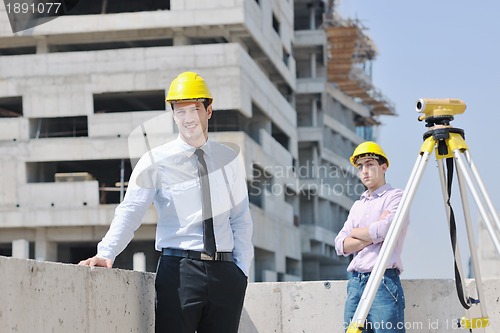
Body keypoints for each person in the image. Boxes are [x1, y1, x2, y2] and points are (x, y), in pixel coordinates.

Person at [79, 71, 254, 333]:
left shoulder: (228, 159)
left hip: (225, 274)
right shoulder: (154, 161)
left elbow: (240, 219)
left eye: (194, 109)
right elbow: (131, 211)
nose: (188, 118)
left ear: (209, 110)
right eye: (180, 111)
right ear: (172, 114)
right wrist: (106, 253)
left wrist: (240, 272)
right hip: (180, 272)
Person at [334, 141, 409, 333]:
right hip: (355, 283)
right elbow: (340, 244)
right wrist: (374, 233)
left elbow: (387, 229)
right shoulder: (357, 205)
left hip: (383, 280)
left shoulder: (396, 197)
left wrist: (357, 233)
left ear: (383, 167)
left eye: (369, 165)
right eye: (360, 167)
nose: (364, 171)